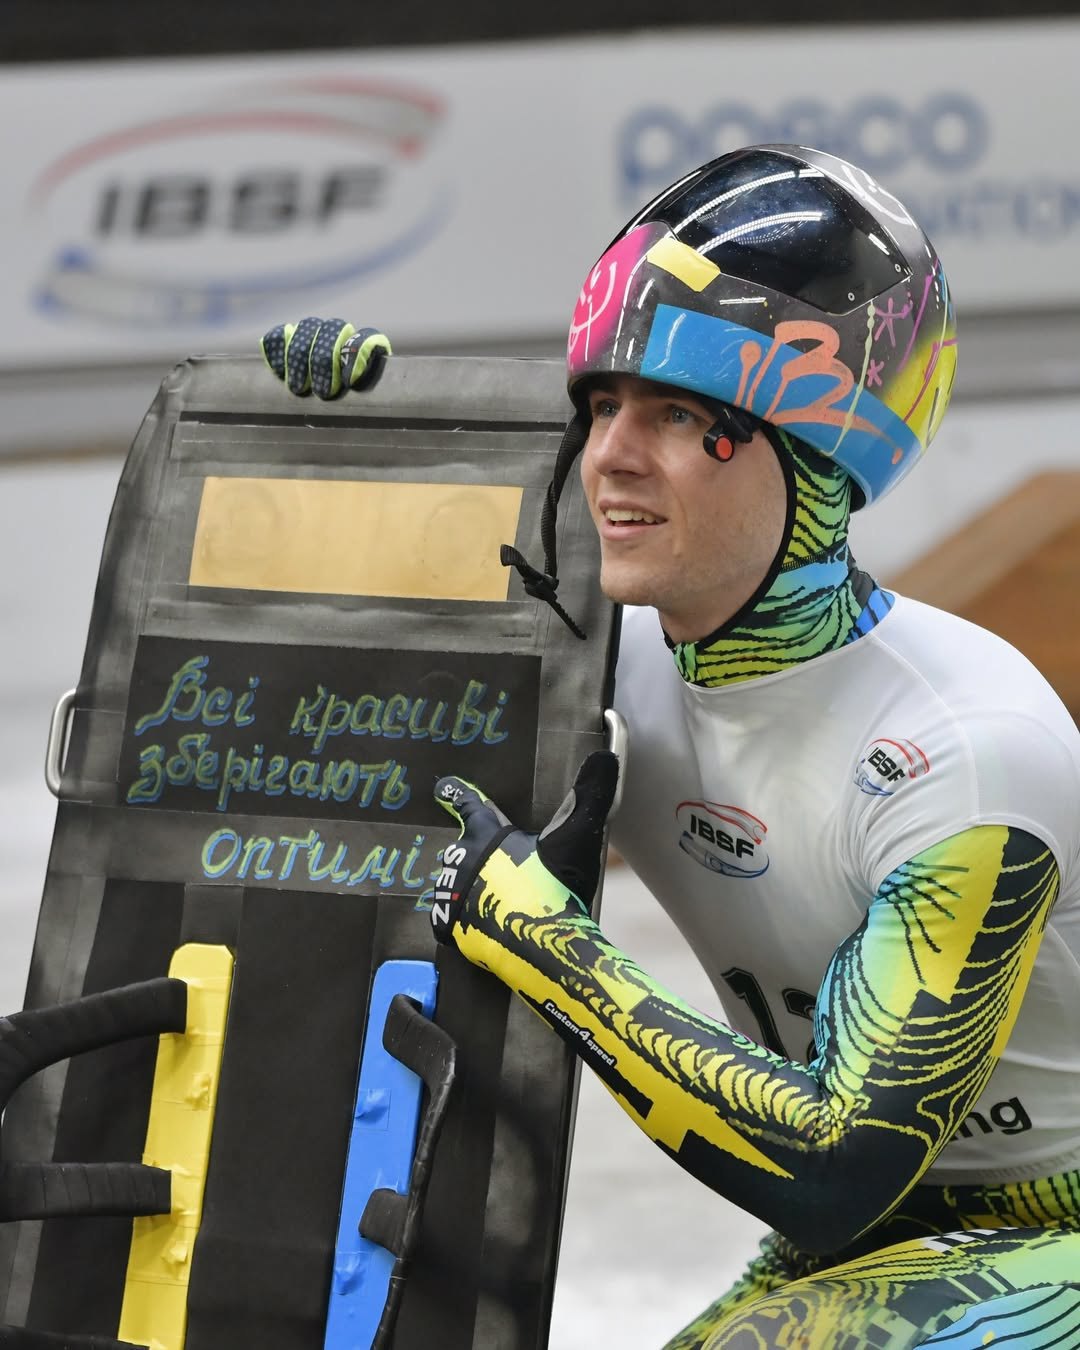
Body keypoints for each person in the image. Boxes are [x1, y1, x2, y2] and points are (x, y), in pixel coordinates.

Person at [260, 145, 1080, 1347]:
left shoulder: (962, 746)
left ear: (817, 460)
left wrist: (553, 948)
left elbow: (841, 1162)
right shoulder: (605, 663)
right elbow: (311, 653)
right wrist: (317, 432)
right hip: (858, 1239)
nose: (610, 456)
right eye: (602, 405)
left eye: (681, 413)